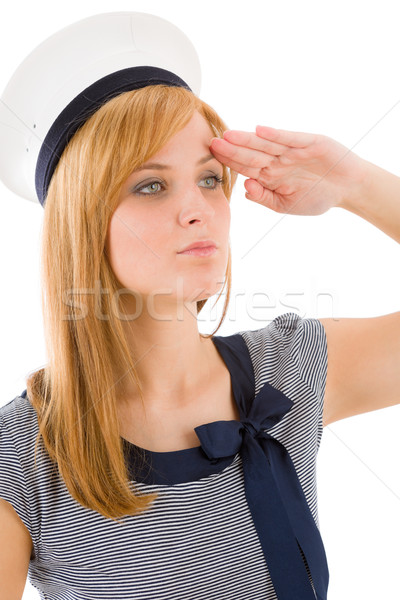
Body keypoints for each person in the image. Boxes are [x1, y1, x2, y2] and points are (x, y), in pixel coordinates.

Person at [0, 12, 399, 600]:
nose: (198, 209)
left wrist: (356, 185)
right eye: (151, 185)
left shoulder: (290, 368)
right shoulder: (23, 451)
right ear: (81, 224)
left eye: (210, 179)